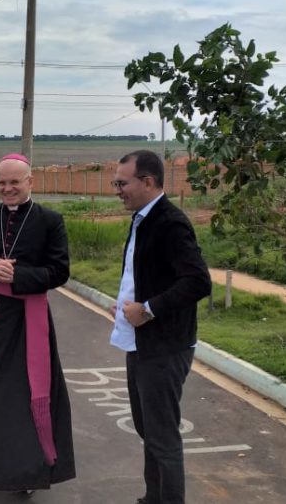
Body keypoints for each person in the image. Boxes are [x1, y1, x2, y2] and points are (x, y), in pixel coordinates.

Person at [0, 153, 76, 494]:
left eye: (14, 182)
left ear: (30, 182)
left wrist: (18, 276)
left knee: (24, 398)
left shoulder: (49, 221)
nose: (7, 189)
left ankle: (25, 474)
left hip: (28, 323)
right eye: (2, 183)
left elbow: (59, 271)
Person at [110, 150, 211, 504]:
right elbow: (145, 275)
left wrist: (149, 310)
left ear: (148, 181)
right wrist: (125, 304)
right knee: (148, 430)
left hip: (165, 347)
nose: (117, 190)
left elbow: (198, 282)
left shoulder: (169, 222)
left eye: (122, 183)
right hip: (140, 343)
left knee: (163, 437)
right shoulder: (142, 218)